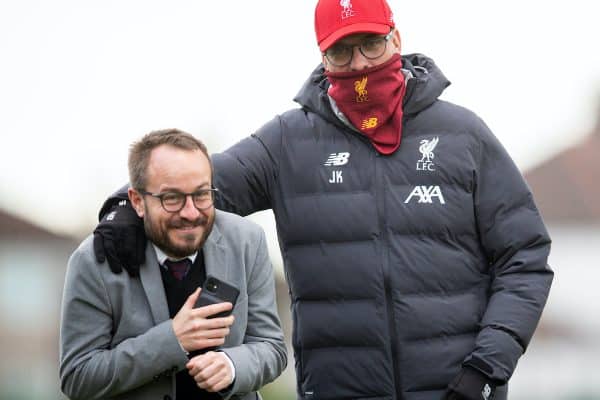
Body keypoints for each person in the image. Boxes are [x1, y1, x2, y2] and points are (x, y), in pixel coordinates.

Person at [91, 0, 554, 399]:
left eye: (370, 44)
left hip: (460, 390)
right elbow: (199, 182)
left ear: (397, 39)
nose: (358, 64)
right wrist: (123, 209)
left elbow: (525, 256)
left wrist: (487, 368)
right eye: (340, 50)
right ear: (322, 56)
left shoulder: (463, 135)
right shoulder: (288, 143)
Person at [60, 129, 287, 400]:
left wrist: (232, 365)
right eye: (172, 198)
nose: (191, 212)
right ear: (137, 201)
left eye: (201, 195)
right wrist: (172, 340)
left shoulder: (248, 241)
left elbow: (271, 348)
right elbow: (78, 377)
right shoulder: (93, 261)